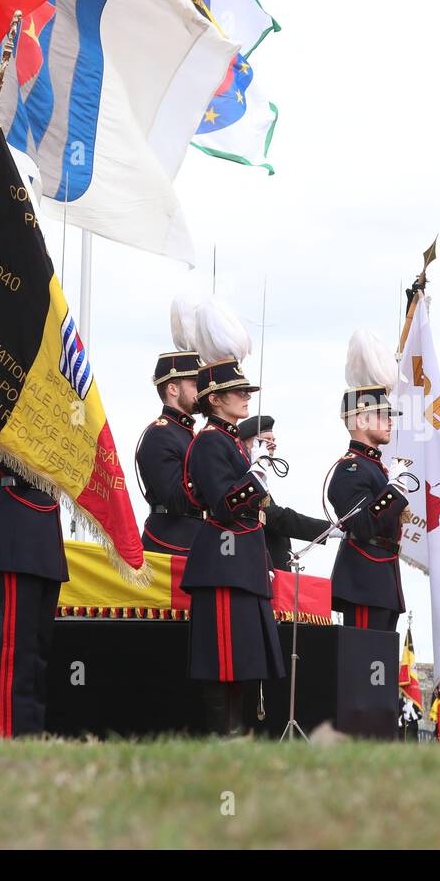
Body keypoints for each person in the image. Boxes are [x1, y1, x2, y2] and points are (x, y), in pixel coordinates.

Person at [179, 300, 284, 736]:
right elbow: (225, 504)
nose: (246, 398)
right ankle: (223, 736)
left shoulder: (233, 443)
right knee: (222, 659)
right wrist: (256, 471)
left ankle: (237, 735)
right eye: (239, 392)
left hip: (242, 564)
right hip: (221, 565)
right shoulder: (208, 443)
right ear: (215, 399)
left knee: (244, 661)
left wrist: (253, 465)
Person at [0, 443, 68, 737]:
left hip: (45, 524)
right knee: (16, 646)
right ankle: (11, 731)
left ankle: (32, 729)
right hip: (15, 525)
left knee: (38, 647)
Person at [328, 387, 411, 633]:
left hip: (383, 576)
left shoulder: (375, 467)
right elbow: (363, 526)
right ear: (362, 420)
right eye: (382, 415)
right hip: (364, 581)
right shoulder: (350, 469)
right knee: (364, 664)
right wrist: (394, 491)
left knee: (380, 664)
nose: (390, 421)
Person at [237, 415, 333, 571]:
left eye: (273, 439)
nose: (273, 444)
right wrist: (327, 529)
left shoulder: (258, 478)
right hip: (255, 565)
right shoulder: (244, 476)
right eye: (266, 440)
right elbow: (274, 516)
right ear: (248, 444)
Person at [136, 349, 204, 556]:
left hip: (194, 538)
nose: (201, 390)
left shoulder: (188, 433)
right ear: (173, 388)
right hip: (171, 542)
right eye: (194, 384)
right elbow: (175, 501)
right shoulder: (160, 434)